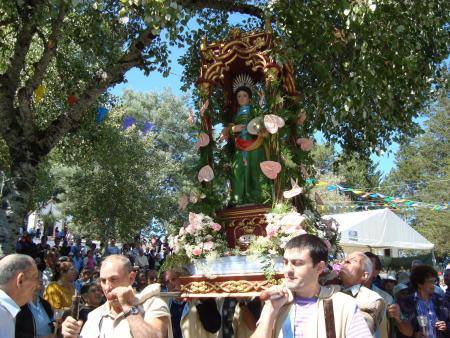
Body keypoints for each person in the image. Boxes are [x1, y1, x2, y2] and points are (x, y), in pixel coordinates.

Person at [251, 234, 372, 338]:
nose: (288, 270)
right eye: (285, 262)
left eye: (297, 263)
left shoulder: (343, 304)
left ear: (319, 267)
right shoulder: (277, 302)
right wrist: (270, 310)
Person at [61, 254, 171, 338]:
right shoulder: (95, 315)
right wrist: (71, 334)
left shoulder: (153, 304)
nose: (107, 287)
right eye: (103, 281)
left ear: (131, 278)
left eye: (113, 279)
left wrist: (128, 307)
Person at [224, 74, 267, 205]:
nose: (241, 98)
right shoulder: (234, 114)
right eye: (239, 96)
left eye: (244, 95)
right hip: (239, 146)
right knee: (238, 171)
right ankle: (238, 199)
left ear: (249, 98)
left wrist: (257, 126)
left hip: (255, 145)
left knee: (255, 169)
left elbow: (263, 120)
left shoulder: (255, 110)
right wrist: (233, 129)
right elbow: (228, 130)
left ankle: (259, 199)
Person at [339, 251, 387, 335]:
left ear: (364, 276)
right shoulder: (329, 290)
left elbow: (363, 328)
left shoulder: (372, 299)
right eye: (344, 260)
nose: (345, 262)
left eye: (354, 260)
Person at [164, 269, 221, 338]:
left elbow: (214, 327)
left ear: (184, 279)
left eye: (173, 279)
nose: (171, 284)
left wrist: (202, 301)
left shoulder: (200, 299)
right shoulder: (166, 305)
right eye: (167, 282)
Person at [397, 264, 449, 338]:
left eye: (434, 281)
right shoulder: (407, 303)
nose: (434, 285)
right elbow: (401, 328)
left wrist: (445, 326)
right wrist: (414, 335)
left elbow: (448, 321)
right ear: (419, 284)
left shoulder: (440, 301)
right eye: (430, 282)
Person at [0, 254, 39, 338]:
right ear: (20, 280)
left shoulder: (7, 311)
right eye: (35, 277)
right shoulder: (2, 313)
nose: (37, 286)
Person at [15, 271, 55, 338]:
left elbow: (51, 324)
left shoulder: (45, 304)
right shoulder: (19, 305)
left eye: (41, 277)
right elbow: (17, 334)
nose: (41, 280)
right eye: (37, 277)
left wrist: (56, 326)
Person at [363, 252, 394, 338]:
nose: (362, 267)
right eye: (361, 263)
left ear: (376, 272)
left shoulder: (386, 298)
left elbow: (389, 328)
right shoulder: (342, 293)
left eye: (368, 264)